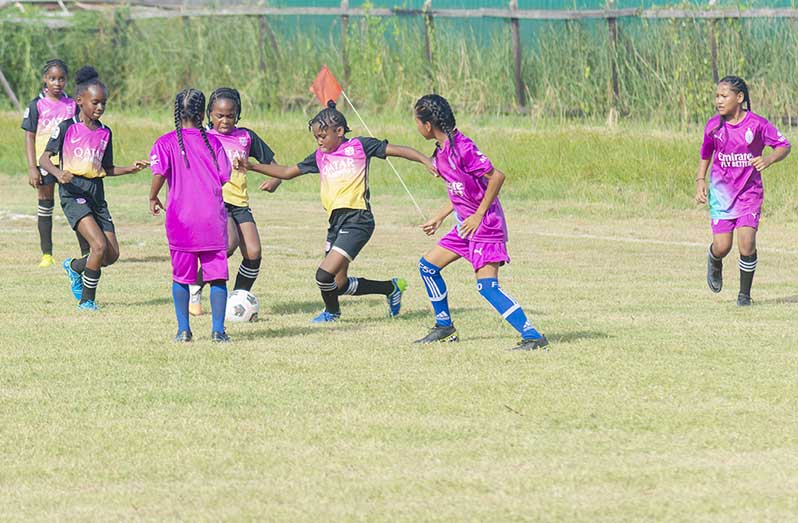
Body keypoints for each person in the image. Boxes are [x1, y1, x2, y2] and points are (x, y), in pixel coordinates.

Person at [245, 101, 435, 323]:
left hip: (358, 220)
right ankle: (391, 288)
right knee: (339, 282)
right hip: (336, 222)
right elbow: (287, 171)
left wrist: (426, 160)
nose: (319, 141)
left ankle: (332, 312)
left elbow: (398, 150)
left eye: (323, 136)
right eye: (316, 137)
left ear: (339, 131)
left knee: (323, 275)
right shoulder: (319, 156)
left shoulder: (360, 146)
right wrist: (253, 166)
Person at [412, 94, 547, 351]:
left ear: (428, 126)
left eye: (417, 122)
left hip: (485, 226)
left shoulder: (462, 147)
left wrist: (478, 214)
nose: (417, 127)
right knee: (428, 266)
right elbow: (462, 190)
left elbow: (497, 177)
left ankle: (533, 336)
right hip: (465, 226)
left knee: (487, 287)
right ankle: (444, 327)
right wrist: (439, 216)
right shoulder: (442, 151)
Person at [39, 66, 148, 311]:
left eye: (103, 104)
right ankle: (86, 302)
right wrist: (58, 173)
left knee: (110, 255)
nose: (99, 108)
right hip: (73, 193)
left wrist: (130, 169)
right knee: (98, 246)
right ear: (80, 101)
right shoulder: (67, 127)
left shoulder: (105, 132)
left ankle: (74, 267)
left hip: (96, 194)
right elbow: (44, 159)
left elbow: (104, 168)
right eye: (95, 103)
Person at [696, 76, 791, 306]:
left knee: (746, 243)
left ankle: (744, 295)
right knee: (723, 246)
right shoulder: (714, 126)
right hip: (722, 194)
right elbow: (705, 153)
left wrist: (768, 159)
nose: (719, 101)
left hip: (750, 194)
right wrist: (700, 179)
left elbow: (784, 145)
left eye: (724, 96)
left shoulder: (756, 124)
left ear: (739, 98)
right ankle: (714, 259)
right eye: (717, 96)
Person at [187, 87, 281, 316]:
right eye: (220, 115)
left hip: (239, 202)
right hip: (214, 202)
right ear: (209, 114)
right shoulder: (202, 137)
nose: (225, 120)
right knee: (228, 244)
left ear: (237, 114)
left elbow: (274, 164)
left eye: (230, 115)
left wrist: (275, 180)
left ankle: (237, 299)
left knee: (253, 253)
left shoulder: (246, 137)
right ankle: (195, 286)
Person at [149, 88, 233, 342]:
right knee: (217, 276)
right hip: (211, 220)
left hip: (181, 221)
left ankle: (183, 330)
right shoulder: (214, 142)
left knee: (181, 277)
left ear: (176, 112)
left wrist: (153, 196)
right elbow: (224, 176)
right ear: (203, 113)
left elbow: (159, 174)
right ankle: (218, 331)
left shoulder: (165, 142)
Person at [21, 59, 90, 266]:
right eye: (52, 79)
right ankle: (47, 255)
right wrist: (32, 167)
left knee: (78, 206)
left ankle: (87, 252)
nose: (57, 83)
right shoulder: (36, 105)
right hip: (45, 164)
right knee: (45, 205)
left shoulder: (72, 105)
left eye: (61, 79)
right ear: (45, 79)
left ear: (66, 81)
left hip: (69, 164)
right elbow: (30, 136)